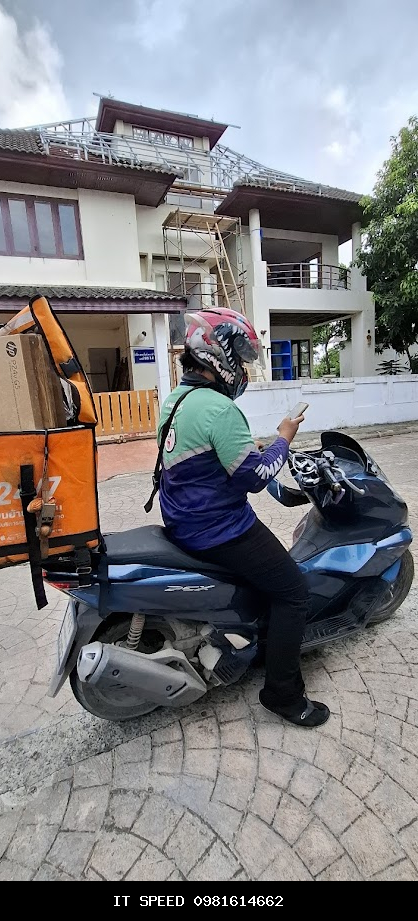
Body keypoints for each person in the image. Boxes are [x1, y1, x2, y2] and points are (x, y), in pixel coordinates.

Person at [157, 308, 329, 727]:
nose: (244, 368)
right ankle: (283, 695)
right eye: (241, 356)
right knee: (293, 592)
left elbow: (212, 459)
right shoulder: (219, 409)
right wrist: (284, 438)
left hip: (183, 519)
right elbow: (254, 477)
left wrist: (259, 461)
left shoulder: (177, 398)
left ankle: (260, 644)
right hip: (218, 528)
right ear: (219, 354)